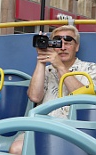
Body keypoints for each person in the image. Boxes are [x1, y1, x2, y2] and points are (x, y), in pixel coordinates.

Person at [9, 25, 96, 155]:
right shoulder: (46, 70)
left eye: (68, 42)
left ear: (76, 47)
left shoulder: (90, 68)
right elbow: (34, 97)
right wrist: (41, 60)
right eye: (57, 43)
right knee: (16, 149)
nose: (62, 47)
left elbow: (85, 100)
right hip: (43, 127)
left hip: (76, 130)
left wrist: (60, 66)